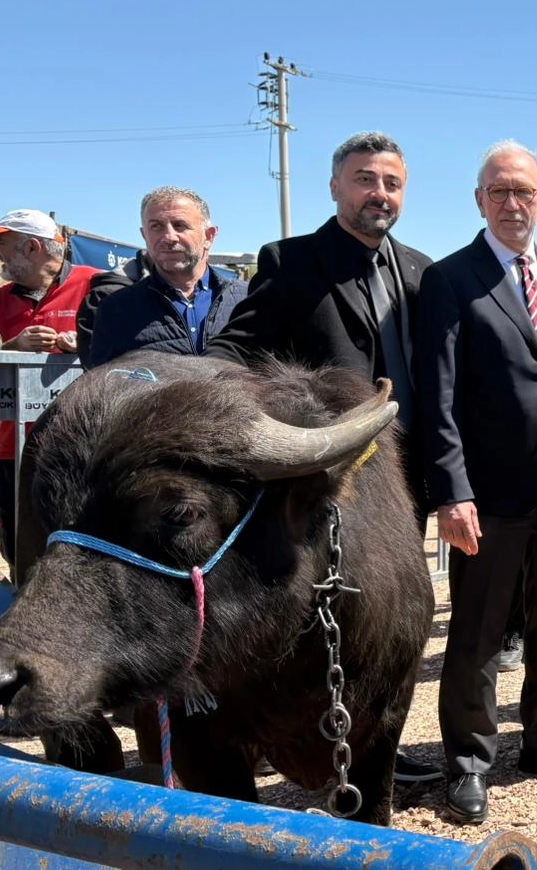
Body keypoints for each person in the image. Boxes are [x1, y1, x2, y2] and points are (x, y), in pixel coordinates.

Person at [205, 131, 441, 786]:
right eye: (365, 179)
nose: (380, 193)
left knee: (390, 624)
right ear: (336, 186)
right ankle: (289, 742)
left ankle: (374, 747)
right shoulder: (292, 261)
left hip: (401, 483)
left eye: (391, 182)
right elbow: (234, 348)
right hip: (319, 483)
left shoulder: (421, 270)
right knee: (314, 620)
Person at [417, 140, 537, 824]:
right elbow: (438, 397)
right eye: (498, 191)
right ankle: (469, 762)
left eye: (522, 192)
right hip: (488, 495)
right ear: (479, 201)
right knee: (475, 633)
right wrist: (451, 491)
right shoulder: (449, 280)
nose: (511, 203)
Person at [0, 209, 98, 564]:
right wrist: (12, 347)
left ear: (31, 247)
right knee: (18, 539)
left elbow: (128, 342)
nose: (0, 255)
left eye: (4, 245)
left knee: (76, 535)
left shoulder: (94, 283)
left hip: (79, 443)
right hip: (12, 446)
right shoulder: (3, 297)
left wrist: (85, 341)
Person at [87, 187, 246, 366]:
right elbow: (102, 386)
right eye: (156, 227)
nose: (169, 237)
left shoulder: (248, 300)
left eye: (180, 225)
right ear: (144, 235)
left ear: (209, 236)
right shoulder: (116, 309)